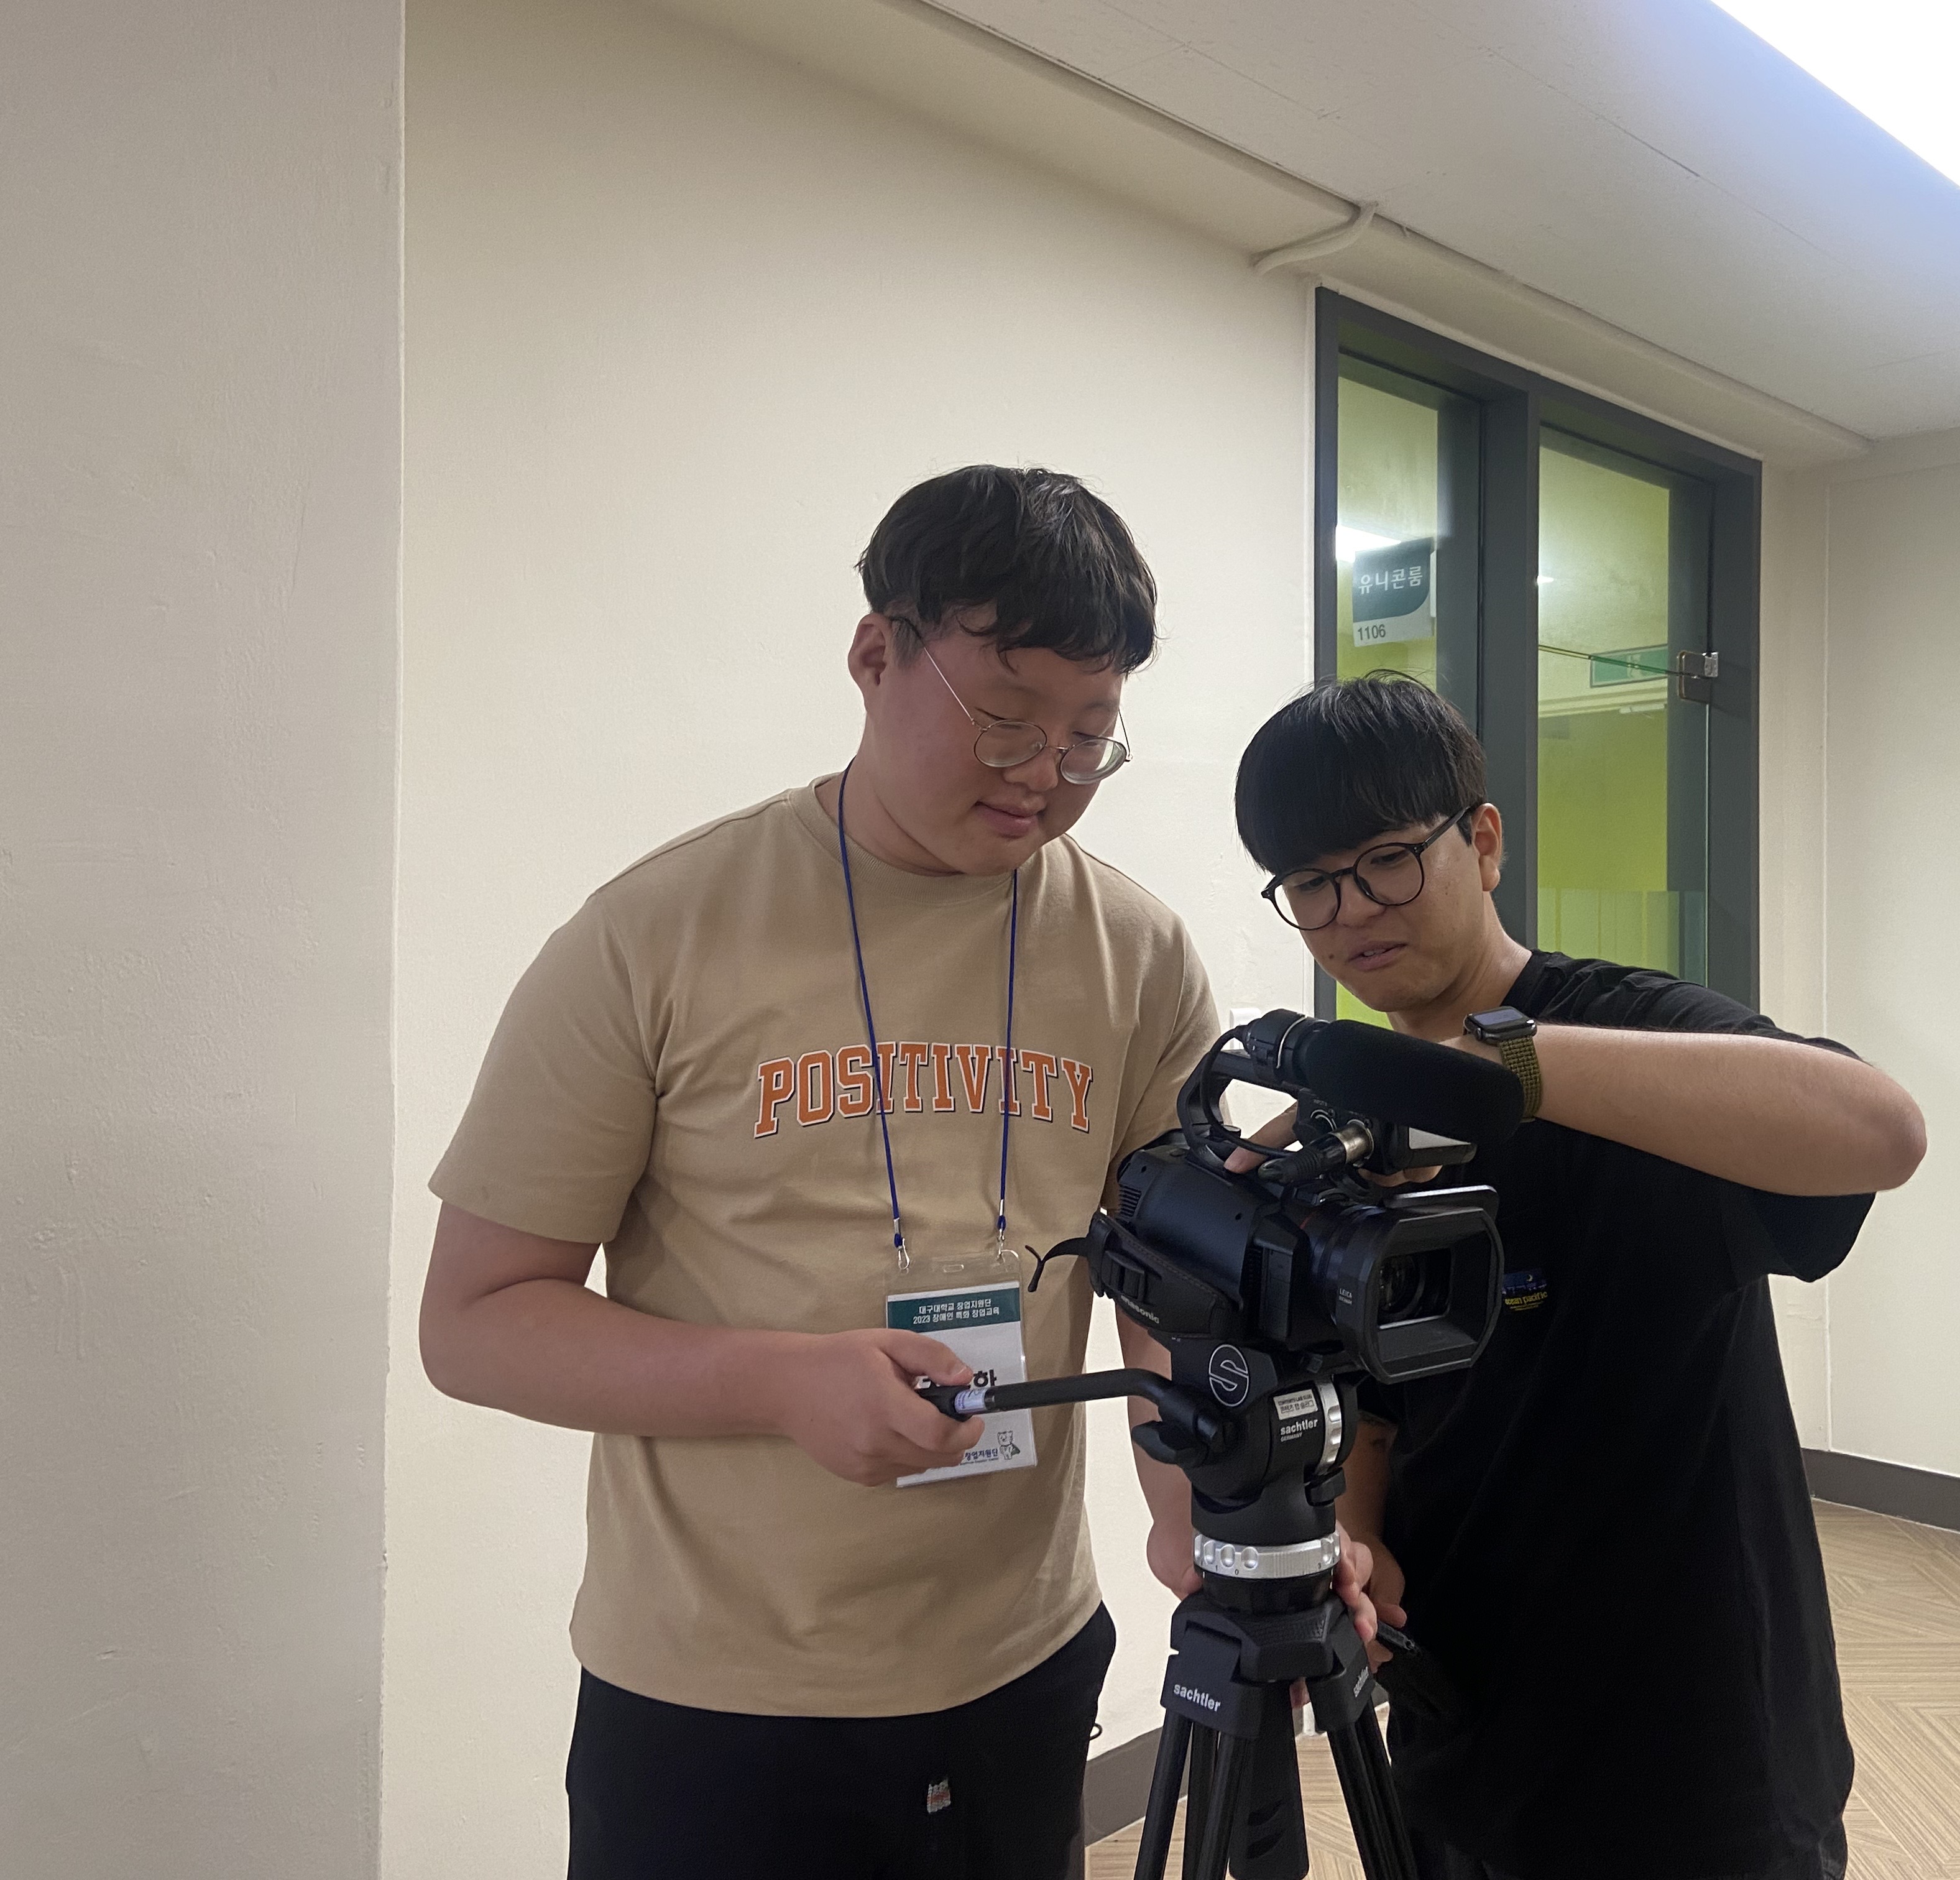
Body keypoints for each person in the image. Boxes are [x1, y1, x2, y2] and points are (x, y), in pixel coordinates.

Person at [419, 466, 1383, 1879]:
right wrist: (779, 1382)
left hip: (1021, 1664)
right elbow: (475, 1320)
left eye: (1090, 736)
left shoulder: (1131, 950)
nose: (1045, 773)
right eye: (1006, 719)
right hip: (718, 1695)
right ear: (876, 653)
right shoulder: (656, 934)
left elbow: (1171, 1278)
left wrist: (1211, 1528)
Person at [1230, 673, 1928, 1880]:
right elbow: (1380, 1401)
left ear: (1484, 842)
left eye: (1388, 861)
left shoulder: (1619, 1034)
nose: (1352, 913)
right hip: (1464, 1726)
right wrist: (1356, 1531)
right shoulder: (1354, 1126)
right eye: (1311, 884)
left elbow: (1882, 1131)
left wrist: (1501, 1067)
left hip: (1698, 1744)